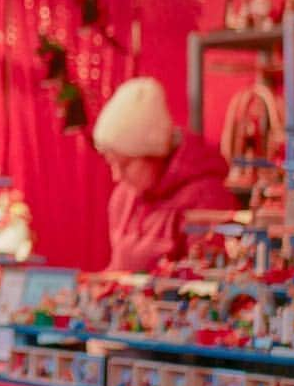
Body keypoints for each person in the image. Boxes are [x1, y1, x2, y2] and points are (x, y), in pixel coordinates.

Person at [92, 76, 235, 273]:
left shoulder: (207, 199)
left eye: (125, 164)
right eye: (111, 162)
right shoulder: (123, 197)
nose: (116, 176)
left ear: (154, 153)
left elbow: (206, 280)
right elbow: (118, 271)